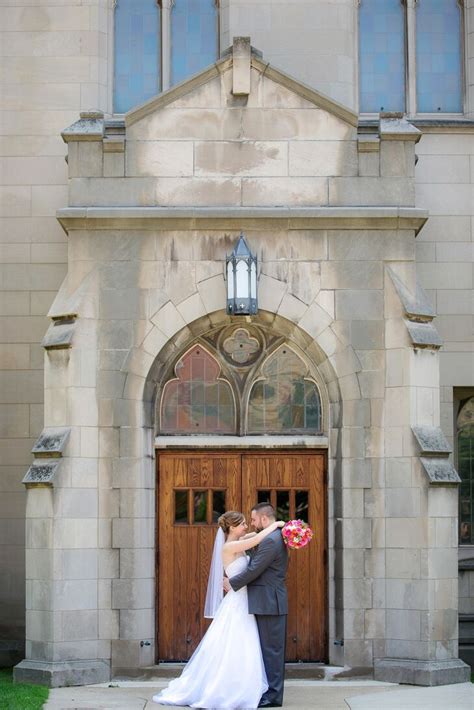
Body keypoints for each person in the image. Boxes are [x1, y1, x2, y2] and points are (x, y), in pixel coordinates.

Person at [152, 510, 285, 709]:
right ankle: (225, 688)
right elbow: (257, 538)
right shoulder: (230, 546)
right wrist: (277, 525)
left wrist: (278, 529)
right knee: (234, 644)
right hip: (237, 603)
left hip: (244, 600)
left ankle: (244, 685)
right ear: (232, 527)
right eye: (242, 524)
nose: (246, 526)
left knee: (244, 646)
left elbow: (254, 536)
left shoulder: (240, 540)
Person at [224, 503, 289, 708]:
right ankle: (265, 691)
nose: (251, 524)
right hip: (264, 601)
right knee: (267, 650)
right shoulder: (273, 536)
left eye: (252, 520)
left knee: (272, 651)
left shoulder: (271, 539)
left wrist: (231, 583)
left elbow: (254, 570)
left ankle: (273, 696)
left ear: (263, 519)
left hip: (270, 601)